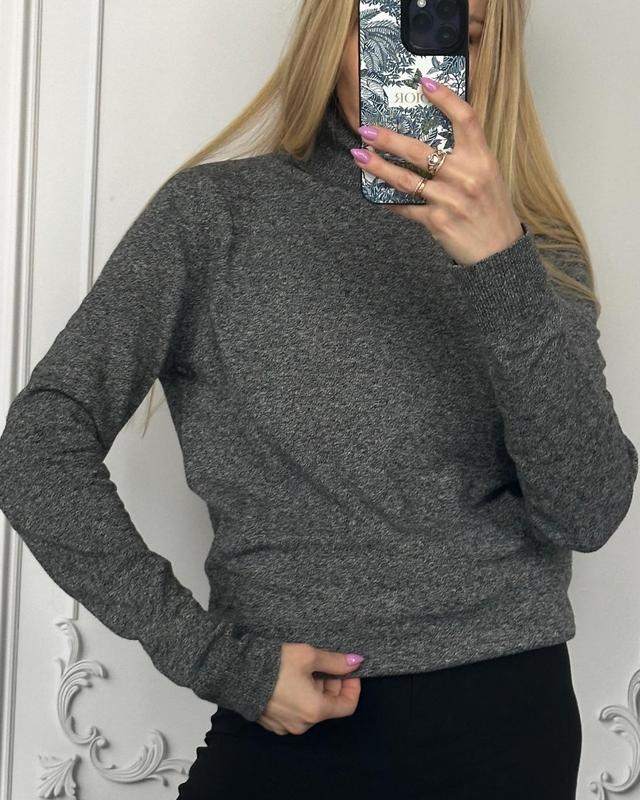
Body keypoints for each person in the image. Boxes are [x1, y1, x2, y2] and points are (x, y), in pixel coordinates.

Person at [0, 0, 636, 798]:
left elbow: (588, 513)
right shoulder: (213, 218)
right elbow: (38, 449)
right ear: (331, 29)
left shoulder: (530, 246)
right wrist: (214, 657)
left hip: (506, 720)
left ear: (491, 52)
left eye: (454, 33)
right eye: (385, 19)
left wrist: (501, 266)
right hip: (290, 728)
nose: (410, 60)